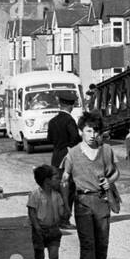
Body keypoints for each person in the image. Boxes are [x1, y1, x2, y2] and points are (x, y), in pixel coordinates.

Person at [60, 113, 119, 259]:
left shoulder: (106, 150)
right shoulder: (72, 154)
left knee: (102, 243)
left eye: (96, 131)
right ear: (81, 132)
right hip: (82, 202)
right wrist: (64, 205)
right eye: (88, 131)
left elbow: (116, 172)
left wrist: (110, 181)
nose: (92, 135)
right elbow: (65, 180)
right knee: (87, 243)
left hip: (101, 201)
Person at [27, 164, 67, 259]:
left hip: (54, 229)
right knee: (39, 257)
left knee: (54, 256)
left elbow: (63, 213)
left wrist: (65, 199)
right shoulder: (35, 195)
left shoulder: (57, 195)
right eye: (56, 178)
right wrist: (37, 227)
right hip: (40, 230)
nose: (59, 180)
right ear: (47, 181)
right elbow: (32, 212)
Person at [47, 94, 80, 230]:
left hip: (55, 158)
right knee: (69, 190)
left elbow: (49, 139)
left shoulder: (52, 121)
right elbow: (75, 139)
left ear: (60, 104)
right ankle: (65, 220)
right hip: (67, 158)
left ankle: (55, 218)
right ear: (71, 106)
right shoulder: (69, 120)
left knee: (56, 189)